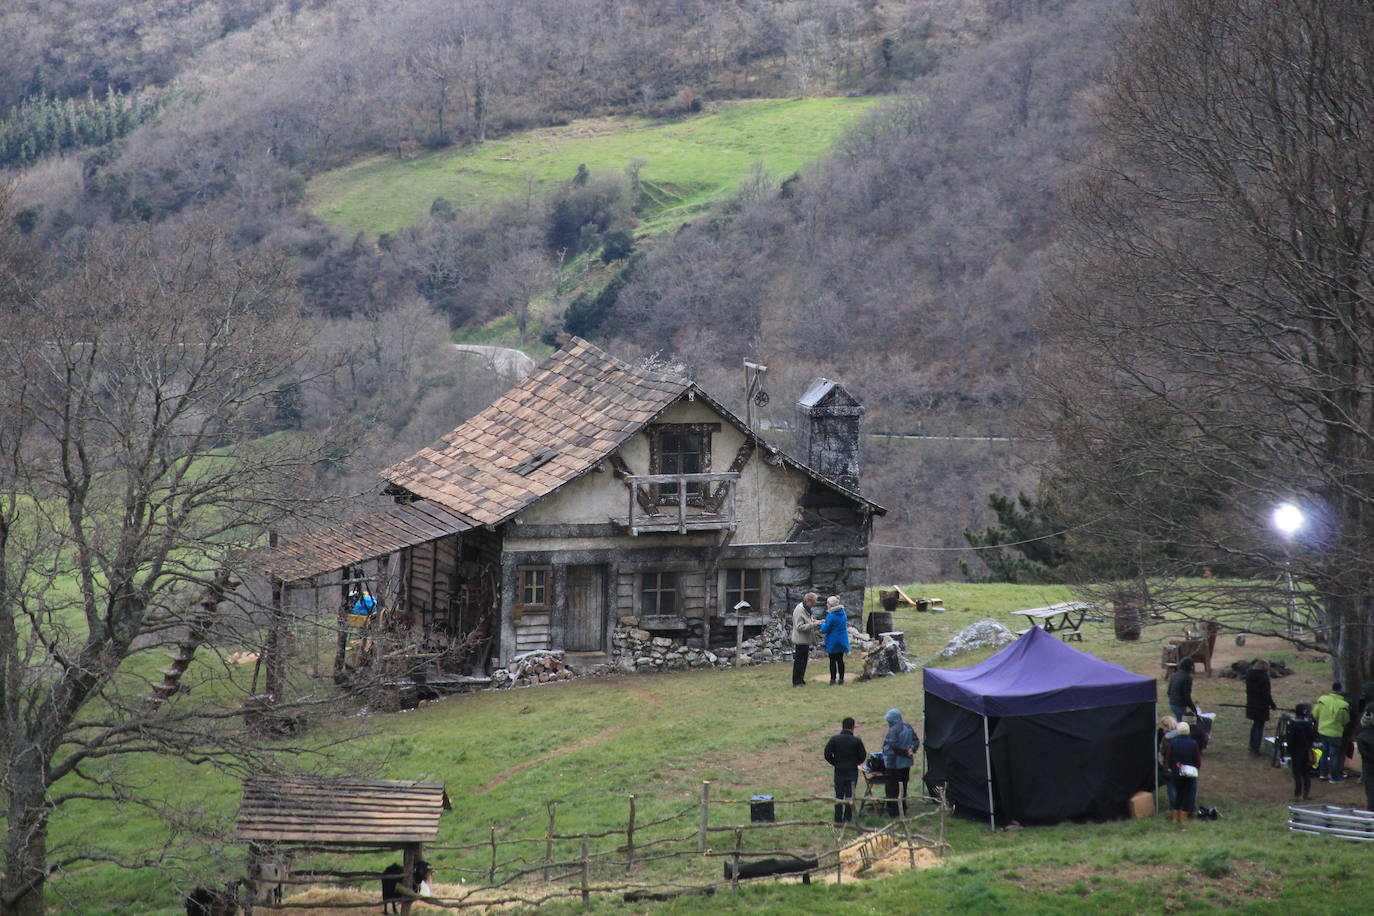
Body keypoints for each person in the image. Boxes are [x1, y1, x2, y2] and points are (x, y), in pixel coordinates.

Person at [823, 716, 867, 823]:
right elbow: (863, 756)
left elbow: (827, 754)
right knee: (849, 796)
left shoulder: (834, 739)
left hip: (839, 771)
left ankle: (838, 818)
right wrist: (855, 763)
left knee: (839, 795)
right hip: (852, 771)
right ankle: (848, 818)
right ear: (852, 727)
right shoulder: (856, 741)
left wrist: (835, 763)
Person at [881, 708, 919, 817]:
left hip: (893, 764)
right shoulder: (908, 727)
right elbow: (916, 740)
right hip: (906, 764)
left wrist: (905, 752)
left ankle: (893, 812)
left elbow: (894, 745)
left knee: (892, 788)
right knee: (904, 787)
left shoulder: (893, 730)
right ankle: (903, 808)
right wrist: (912, 749)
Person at [1163, 721, 1201, 824]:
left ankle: (1175, 818)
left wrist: (1172, 768)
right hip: (1190, 773)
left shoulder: (1173, 743)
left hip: (1177, 772)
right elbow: (1197, 760)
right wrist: (1196, 768)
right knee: (1188, 794)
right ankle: (1184, 818)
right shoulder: (1193, 743)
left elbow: (1169, 759)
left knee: (1179, 794)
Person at [1313, 681, 1351, 782]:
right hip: (1335, 733)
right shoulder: (1343, 705)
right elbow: (1346, 720)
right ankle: (1334, 777)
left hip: (1322, 731)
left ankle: (1322, 773)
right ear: (1340, 690)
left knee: (1324, 752)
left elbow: (1315, 714)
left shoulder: (1322, 700)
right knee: (1334, 755)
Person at [1244, 660, 1277, 756]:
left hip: (1251, 704)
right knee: (1259, 726)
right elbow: (1266, 694)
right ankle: (1256, 748)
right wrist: (1272, 704)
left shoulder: (1249, 676)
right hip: (1261, 706)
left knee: (1255, 725)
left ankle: (1252, 745)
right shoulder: (1264, 678)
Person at [1287, 702, 1318, 801]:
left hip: (1296, 752)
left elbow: (1290, 739)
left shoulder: (1292, 724)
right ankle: (1306, 793)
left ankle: (1297, 794)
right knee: (1306, 773)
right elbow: (1313, 737)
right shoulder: (1308, 724)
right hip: (1306, 751)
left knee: (1297, 773)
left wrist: (1290, 750)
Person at [818, 596, 850, 685]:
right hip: (842, 639)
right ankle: (841, 679)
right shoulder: (842, 613)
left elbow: (826, 628)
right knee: (840, 660)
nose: (826, 605)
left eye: (827, 603)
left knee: (832, 660)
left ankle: (833, 680)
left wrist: (820, 624)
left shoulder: (831, 615)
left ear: (830, 605)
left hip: (833, 640)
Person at [790, 592, 820, 686]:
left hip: (805, 640)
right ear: (808, 601)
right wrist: (812, 625)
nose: (814, 604)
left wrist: (816, 622)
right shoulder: (799, 610)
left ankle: (801, 680)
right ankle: (796, 681)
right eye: (813, 602)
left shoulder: (806, 609)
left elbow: (807, 621)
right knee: (799, 661)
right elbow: (799, 626)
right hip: (800, 640)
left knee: (803, 661)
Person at [1168, 657, 1199, 721]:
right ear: (1190, 667)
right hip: (1179, 705)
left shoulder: (1174, 675)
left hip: (1172, 703)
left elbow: (1168, 691)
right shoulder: (1187, 678)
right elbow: (1186, 696)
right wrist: (1193, 708)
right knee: (1183, 725)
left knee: (1179, 721)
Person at [1357, 708, 1374, 811]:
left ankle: (1371, 812)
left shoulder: (1361, 737)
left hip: (1369, 767)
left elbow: (1365, 754)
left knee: (1371, 790)